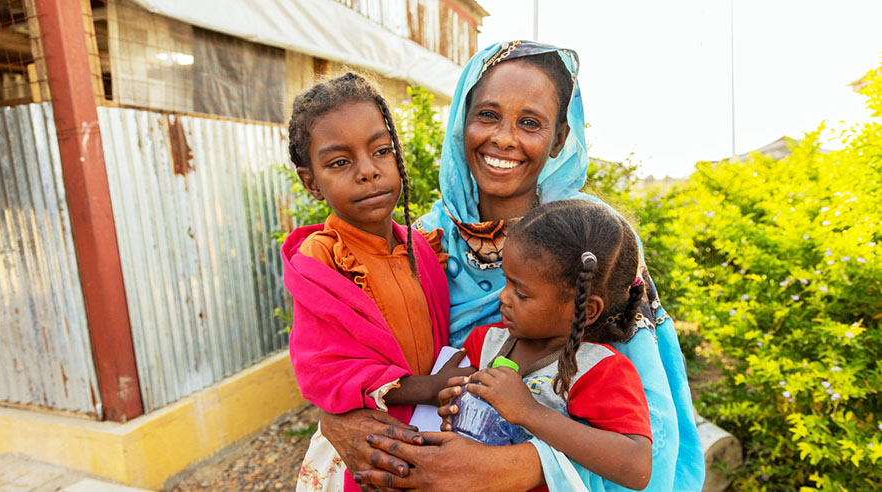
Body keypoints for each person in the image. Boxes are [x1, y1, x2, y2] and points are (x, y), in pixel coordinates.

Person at [320, 41, 705, 492]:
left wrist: (506, 466)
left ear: (560, 137)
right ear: (463, 120)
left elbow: (640, 422)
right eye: (487, 115)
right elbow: (350, 356)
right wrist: (338, 420)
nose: (503, 137)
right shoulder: (421, 242)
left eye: (529, 122)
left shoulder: (592, 243)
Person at [281, 72, 474, 492]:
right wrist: (430, 387)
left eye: (381, 151)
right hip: (367, 445)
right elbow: (323, 366)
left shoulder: (419, 248)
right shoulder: (323, 258)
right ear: (310, 181)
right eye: (339, 162)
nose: (368, 172)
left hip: (430, 427)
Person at [439, 199, 654, 491]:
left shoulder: (600, 370)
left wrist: (528, 411)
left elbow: (636, 467)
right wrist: (454, 403)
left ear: (586, 309)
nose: (503, 297)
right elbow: (454, 396)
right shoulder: (485, 341)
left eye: (522, 293)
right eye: (506, 282)